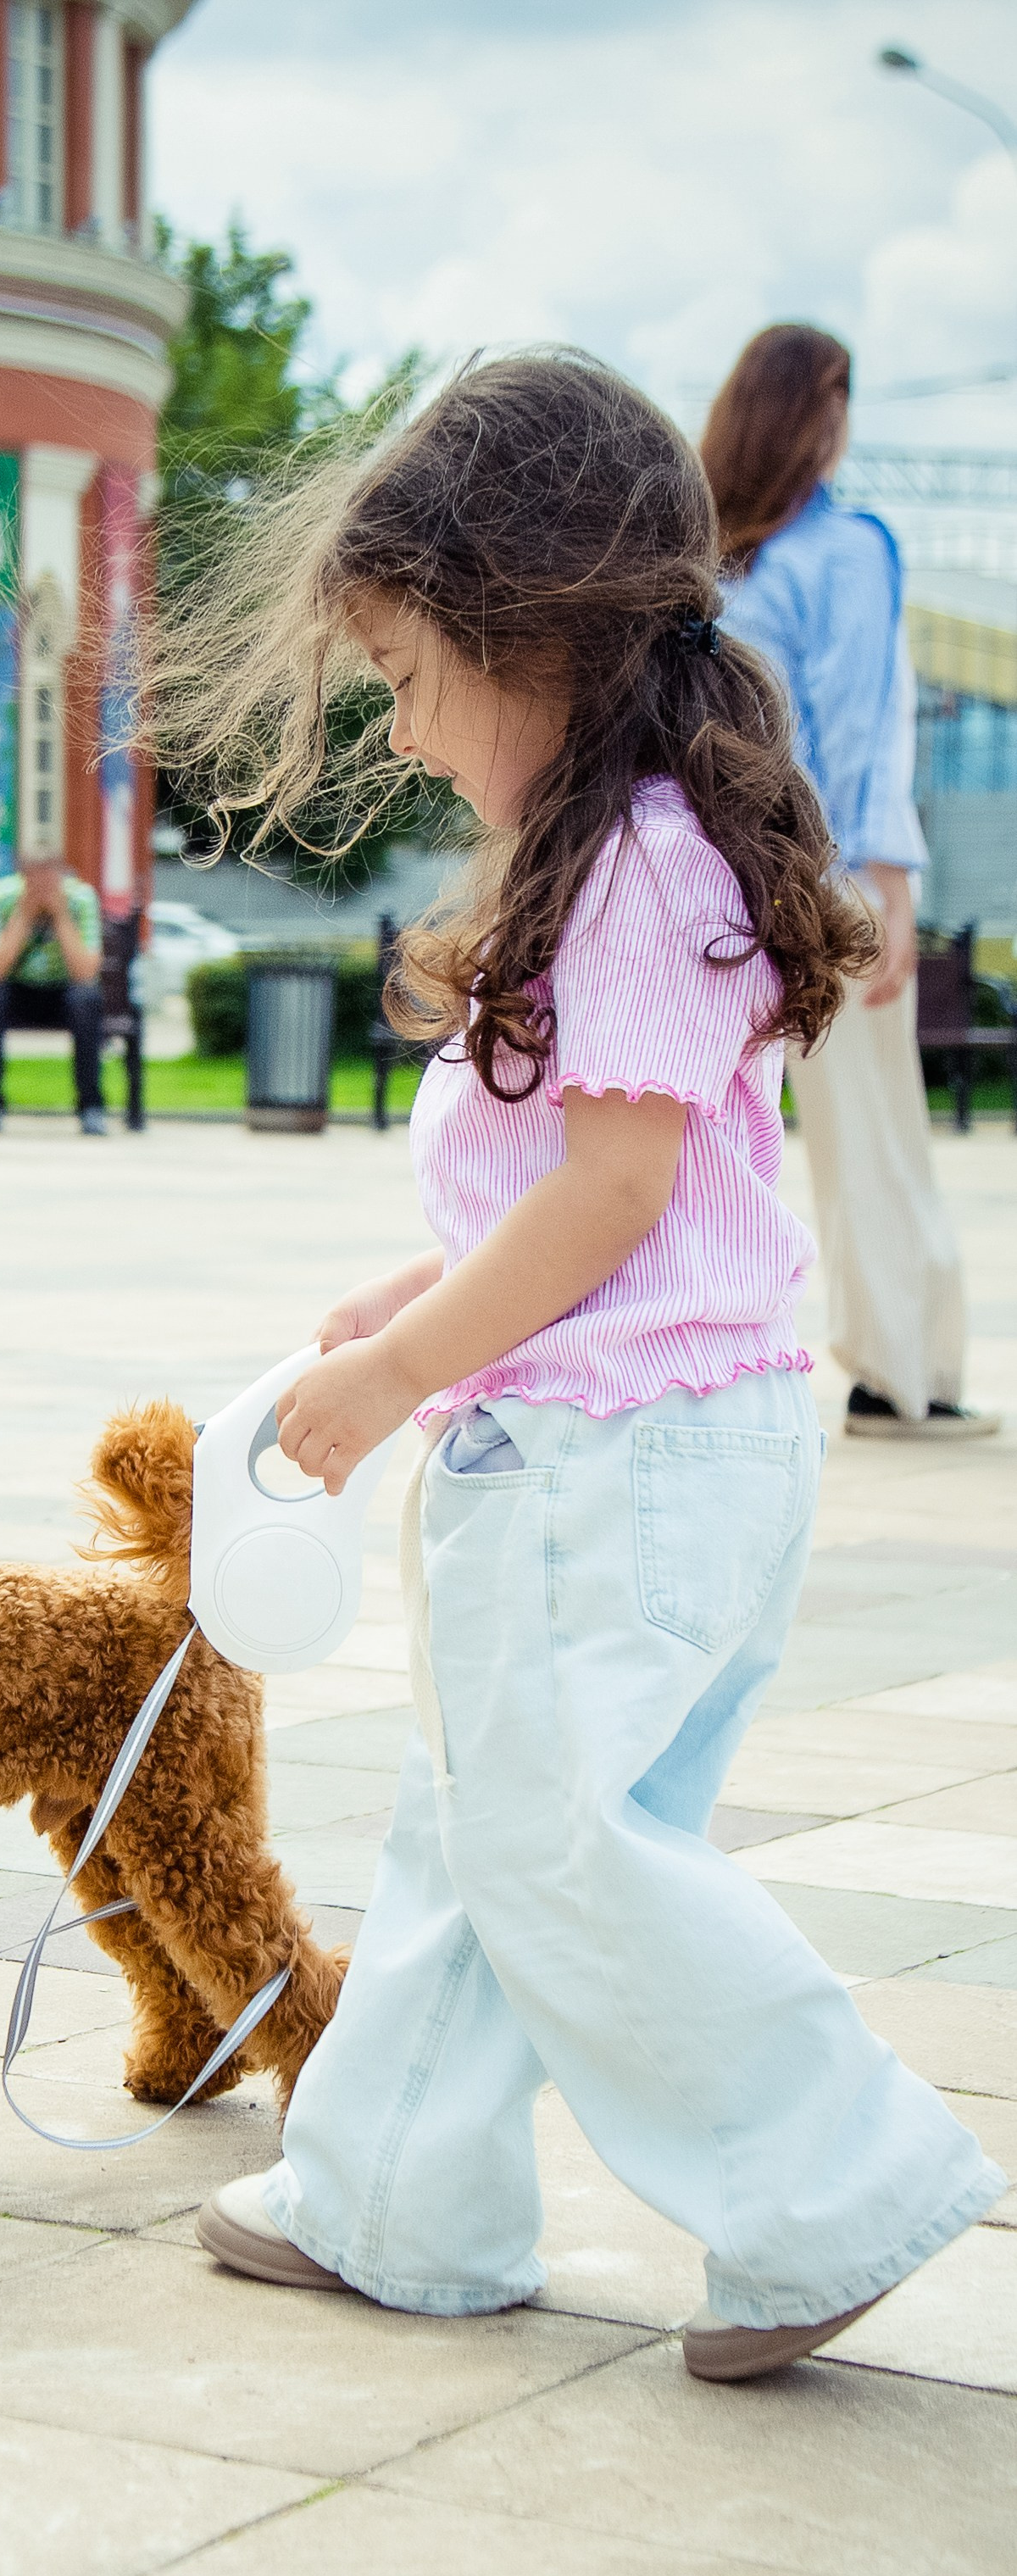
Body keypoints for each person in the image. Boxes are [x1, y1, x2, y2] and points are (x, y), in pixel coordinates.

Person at [150, 350, 1002, 2383]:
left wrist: (389, 1385)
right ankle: (395, 2196)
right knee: (491, 1836)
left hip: (604, 1474)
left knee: (553, 1847)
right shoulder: (649, 850)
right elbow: (610, 1183)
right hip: (682, 1453)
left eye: (412, 673)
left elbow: (611, 1192)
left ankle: (833, 2177)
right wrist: (408, 1300)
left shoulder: (627, 861)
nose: (406, 727)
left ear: (531, 635)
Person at [706, 324, 997, 1440]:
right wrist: (892, 888)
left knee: (717, 1127)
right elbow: (864, 732)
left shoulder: (717, 565)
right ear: (820, 415)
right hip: (825, 883)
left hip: (720, 881)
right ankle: (902, 1371)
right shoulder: (849, 550)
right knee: (871, 1130)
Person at [0, 857, 108, 1134]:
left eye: (51, 882)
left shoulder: (80, 898)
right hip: (16, 991)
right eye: (35, 882)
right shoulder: (2, 896)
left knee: (87, 998)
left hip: (63, 993)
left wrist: (60, 916)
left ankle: (91, 1107)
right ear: (23, 878)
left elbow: (86, 972)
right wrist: (24, 915)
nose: (44, 889)